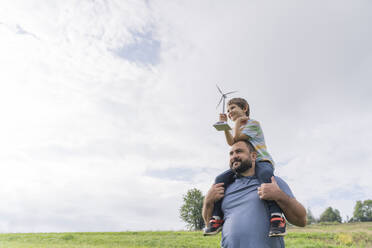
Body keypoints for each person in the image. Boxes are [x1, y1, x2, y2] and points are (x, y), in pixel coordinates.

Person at [204, 98, 286, 237]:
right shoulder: (239, 126)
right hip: (245, 163)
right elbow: (232, 142)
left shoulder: (253, 124)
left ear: (245, 108)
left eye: (233, 108)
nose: (230, 112)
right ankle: (217, 217)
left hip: (261, 161)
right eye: (228, 110)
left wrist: (235, 123)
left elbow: (237, 137)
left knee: (265, 175)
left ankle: (276, 216)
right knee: (220, 179)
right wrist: (224, 125)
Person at [202, 140, 307, 247]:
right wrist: (208, 201)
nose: (234, 156)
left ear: (253, 156)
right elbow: (208, 223)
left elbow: (301, 220)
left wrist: (279, 196)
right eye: (231, 153)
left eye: (239, 151)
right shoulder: (223, 188)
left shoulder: (272, 182)